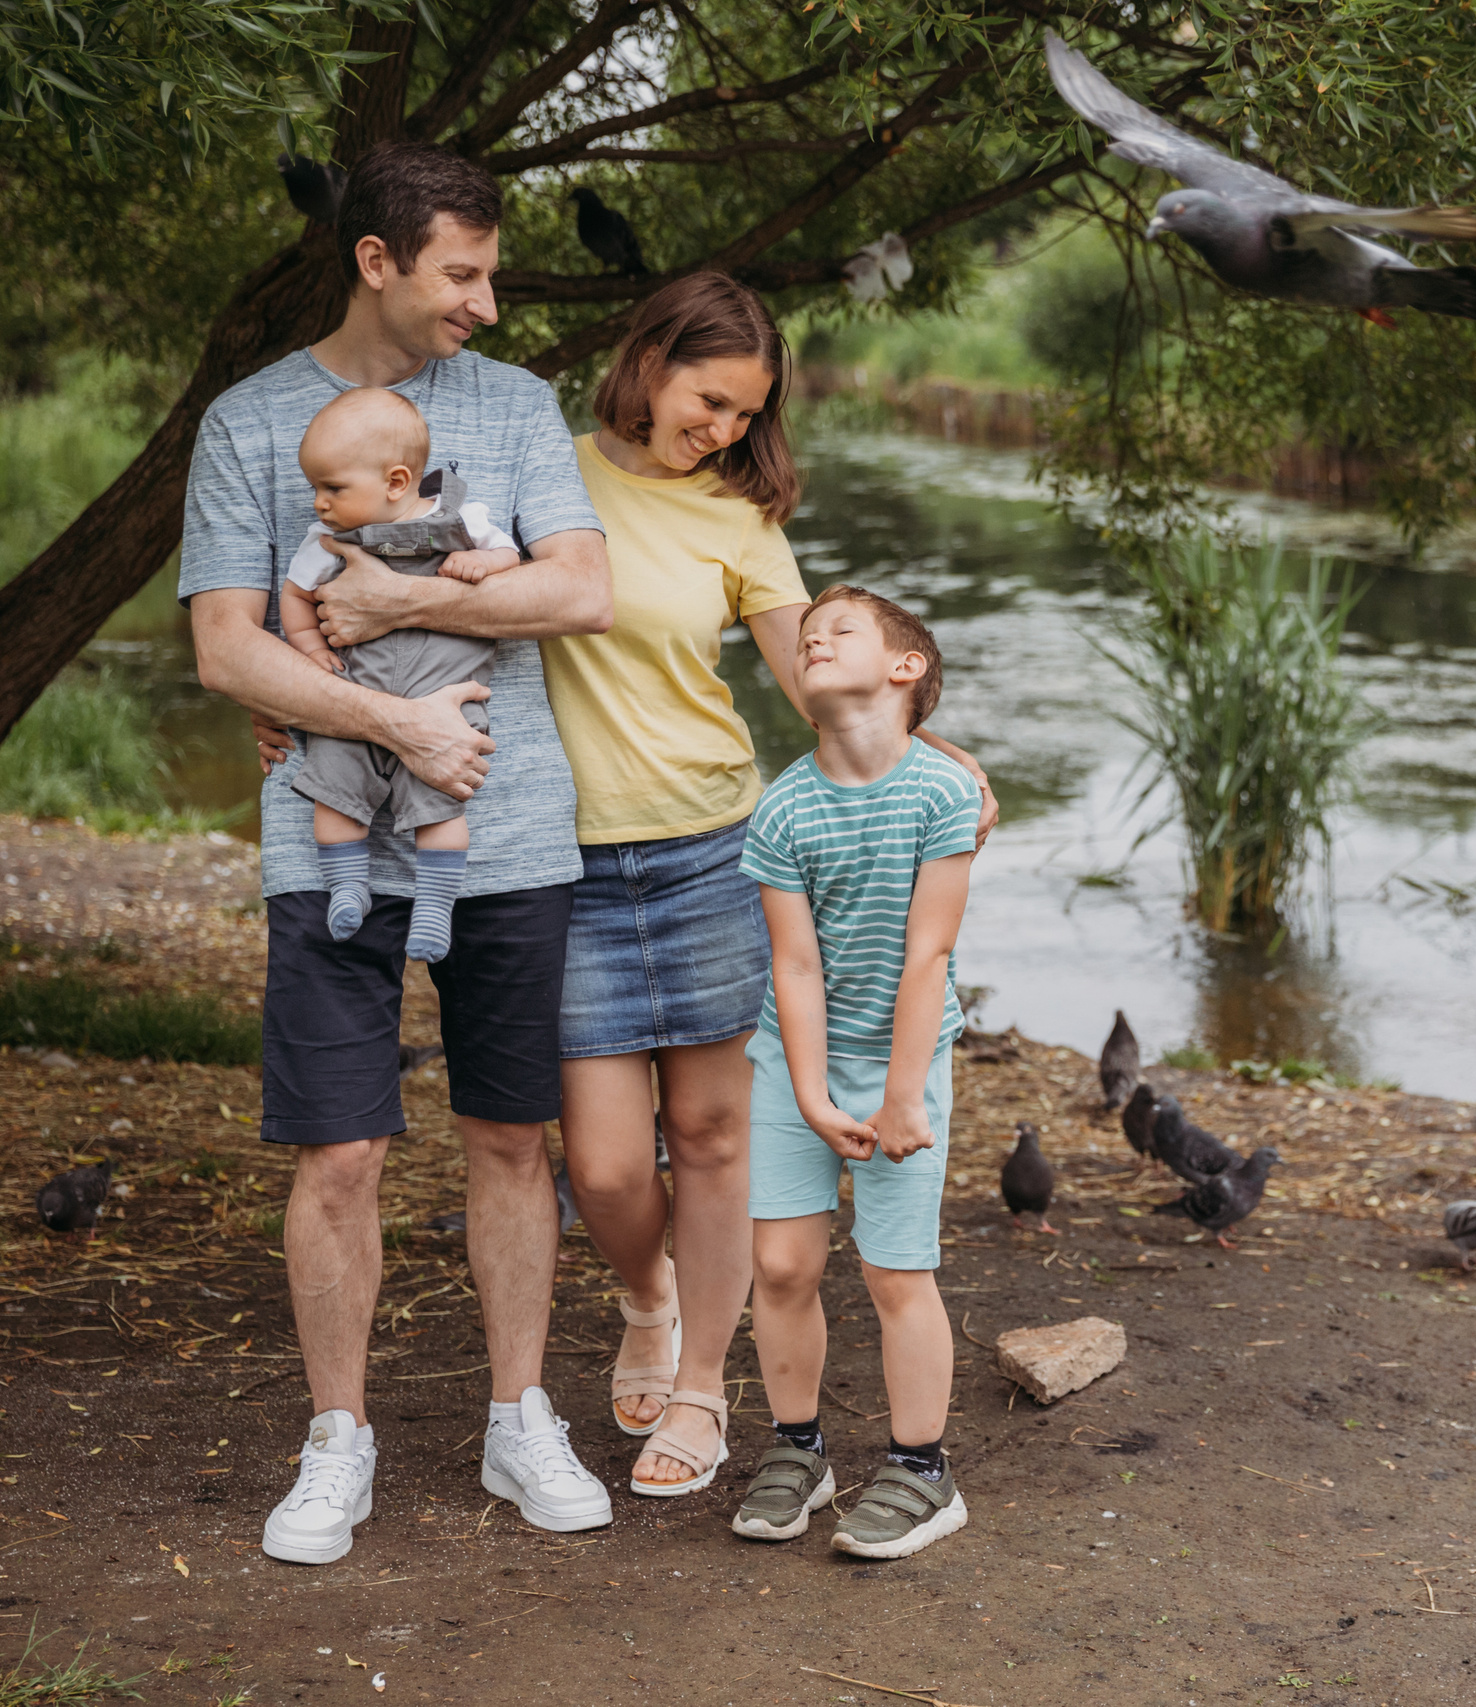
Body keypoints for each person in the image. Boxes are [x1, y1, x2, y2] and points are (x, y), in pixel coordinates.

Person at [180, 140, 617, 1565]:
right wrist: (395, 722)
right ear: (378, 260)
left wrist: (392, 607)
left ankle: (516, 1414)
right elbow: (223, 643)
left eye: (489, 273)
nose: (486, 304)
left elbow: (583, 586)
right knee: (342, 1149)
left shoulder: (521, 407)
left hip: (516, 833)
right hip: (334, 841)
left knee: (511, 1135)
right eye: (463, 274)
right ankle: (337, 1439)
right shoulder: (251, 423)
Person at [538, 272, 996, 1498]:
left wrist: (942, 762)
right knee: (609, 1166)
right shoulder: (547, 465)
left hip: (708, 841)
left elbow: (823, 682)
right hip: (565, 856)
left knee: (714, 1132)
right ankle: (650, 1297)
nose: (727, 430)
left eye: (748, 412)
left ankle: (703, 1393)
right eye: (711, 399)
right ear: (646, 360)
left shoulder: (736, 519)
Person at [731, 585, 979, 1559]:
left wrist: (901, 1094)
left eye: (841, 632)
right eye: (806, 638)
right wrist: (808, 1095)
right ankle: (799, 1451)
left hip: (903, 1061)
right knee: (783, 1264)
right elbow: (791, 966)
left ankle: (924, 1470)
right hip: (797, 1061)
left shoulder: (943, 791)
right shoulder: (784, 809)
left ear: (904, 668)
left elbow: (929, 956)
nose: (814, 642)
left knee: (892, 1268)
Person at [278, 385, 524, 961]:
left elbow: (512, 557)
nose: (319, 503)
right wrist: (312, 650)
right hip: (356, 701)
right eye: (316, 487)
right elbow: (295, 595)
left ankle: (434, 906)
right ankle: (346, 886)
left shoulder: (463, 518)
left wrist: (483, 561)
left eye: (332, 488)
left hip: (445, 702)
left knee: (442, 802)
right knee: (333, 793)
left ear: (395, 481)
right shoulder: (330, 542)